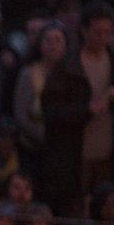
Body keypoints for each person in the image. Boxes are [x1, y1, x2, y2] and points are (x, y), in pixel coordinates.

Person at [43, 1, 114, 216]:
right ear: (84, 31)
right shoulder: (67, 67)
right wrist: (85, 110)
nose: (103, 38)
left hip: (110, 155)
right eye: (97, 32)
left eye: (107, 32)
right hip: (76, 157)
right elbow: (51, 112)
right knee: (76, 212)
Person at [13, 21, 68, 174]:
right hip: (33, 148)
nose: (53, 46)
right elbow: (21, 114)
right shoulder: (29, 73)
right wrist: (44, 137)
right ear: (40, 44)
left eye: (58, 40)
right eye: (48, 41)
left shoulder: (72, 73)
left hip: (65, 149)